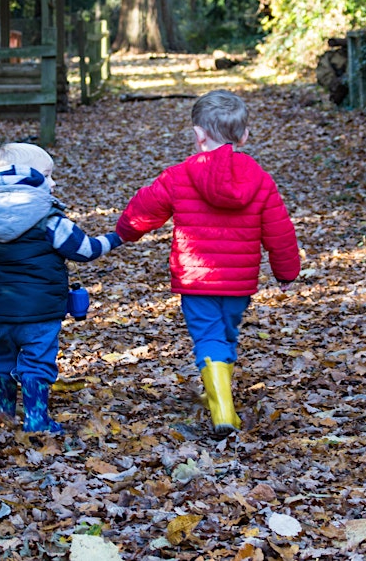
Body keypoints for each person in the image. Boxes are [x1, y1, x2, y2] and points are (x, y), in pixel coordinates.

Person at [115, 89, 300, 437]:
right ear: (244, 135)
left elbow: (145, 208)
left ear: (198, 135)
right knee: (225, 334)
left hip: (196, 280)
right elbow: (279, 229)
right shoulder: (259, 179)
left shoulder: (179, 175)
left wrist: (124, 231)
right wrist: (286, 271)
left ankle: (223, 409)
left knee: (208, 337)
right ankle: (222, 396)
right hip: (239, 281)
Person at [0, 142, 122, 434]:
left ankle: (4, 407)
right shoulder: (49, 219)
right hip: (41, 312)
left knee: (3, 355)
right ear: (28, 179)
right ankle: (36, 418)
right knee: (37, 359)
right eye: (47, 175)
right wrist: (116, 237)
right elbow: (84, 250)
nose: (54, 182)